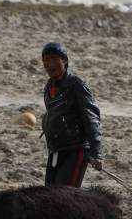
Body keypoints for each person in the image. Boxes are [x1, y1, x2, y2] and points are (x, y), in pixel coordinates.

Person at [41, 42, 103, 186]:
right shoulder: (48, 88)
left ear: (65, 61)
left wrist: (97, 153)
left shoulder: (76, 85)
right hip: (56, 151)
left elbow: (91, 118)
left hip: (76, 151)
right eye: (46, 60)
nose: (50, 65)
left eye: (54, 59)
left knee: (64, 196)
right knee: (49, 194)